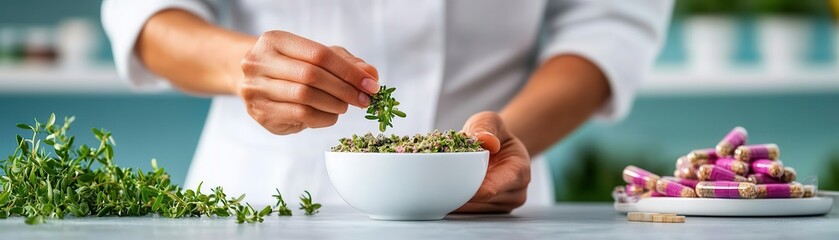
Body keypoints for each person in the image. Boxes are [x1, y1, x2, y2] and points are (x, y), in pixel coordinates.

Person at [102, 0, 672, 212]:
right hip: (265, 196)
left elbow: (605, 30)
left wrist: (488, 151)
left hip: (491, 201)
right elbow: (145, 16)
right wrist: (243, 66)